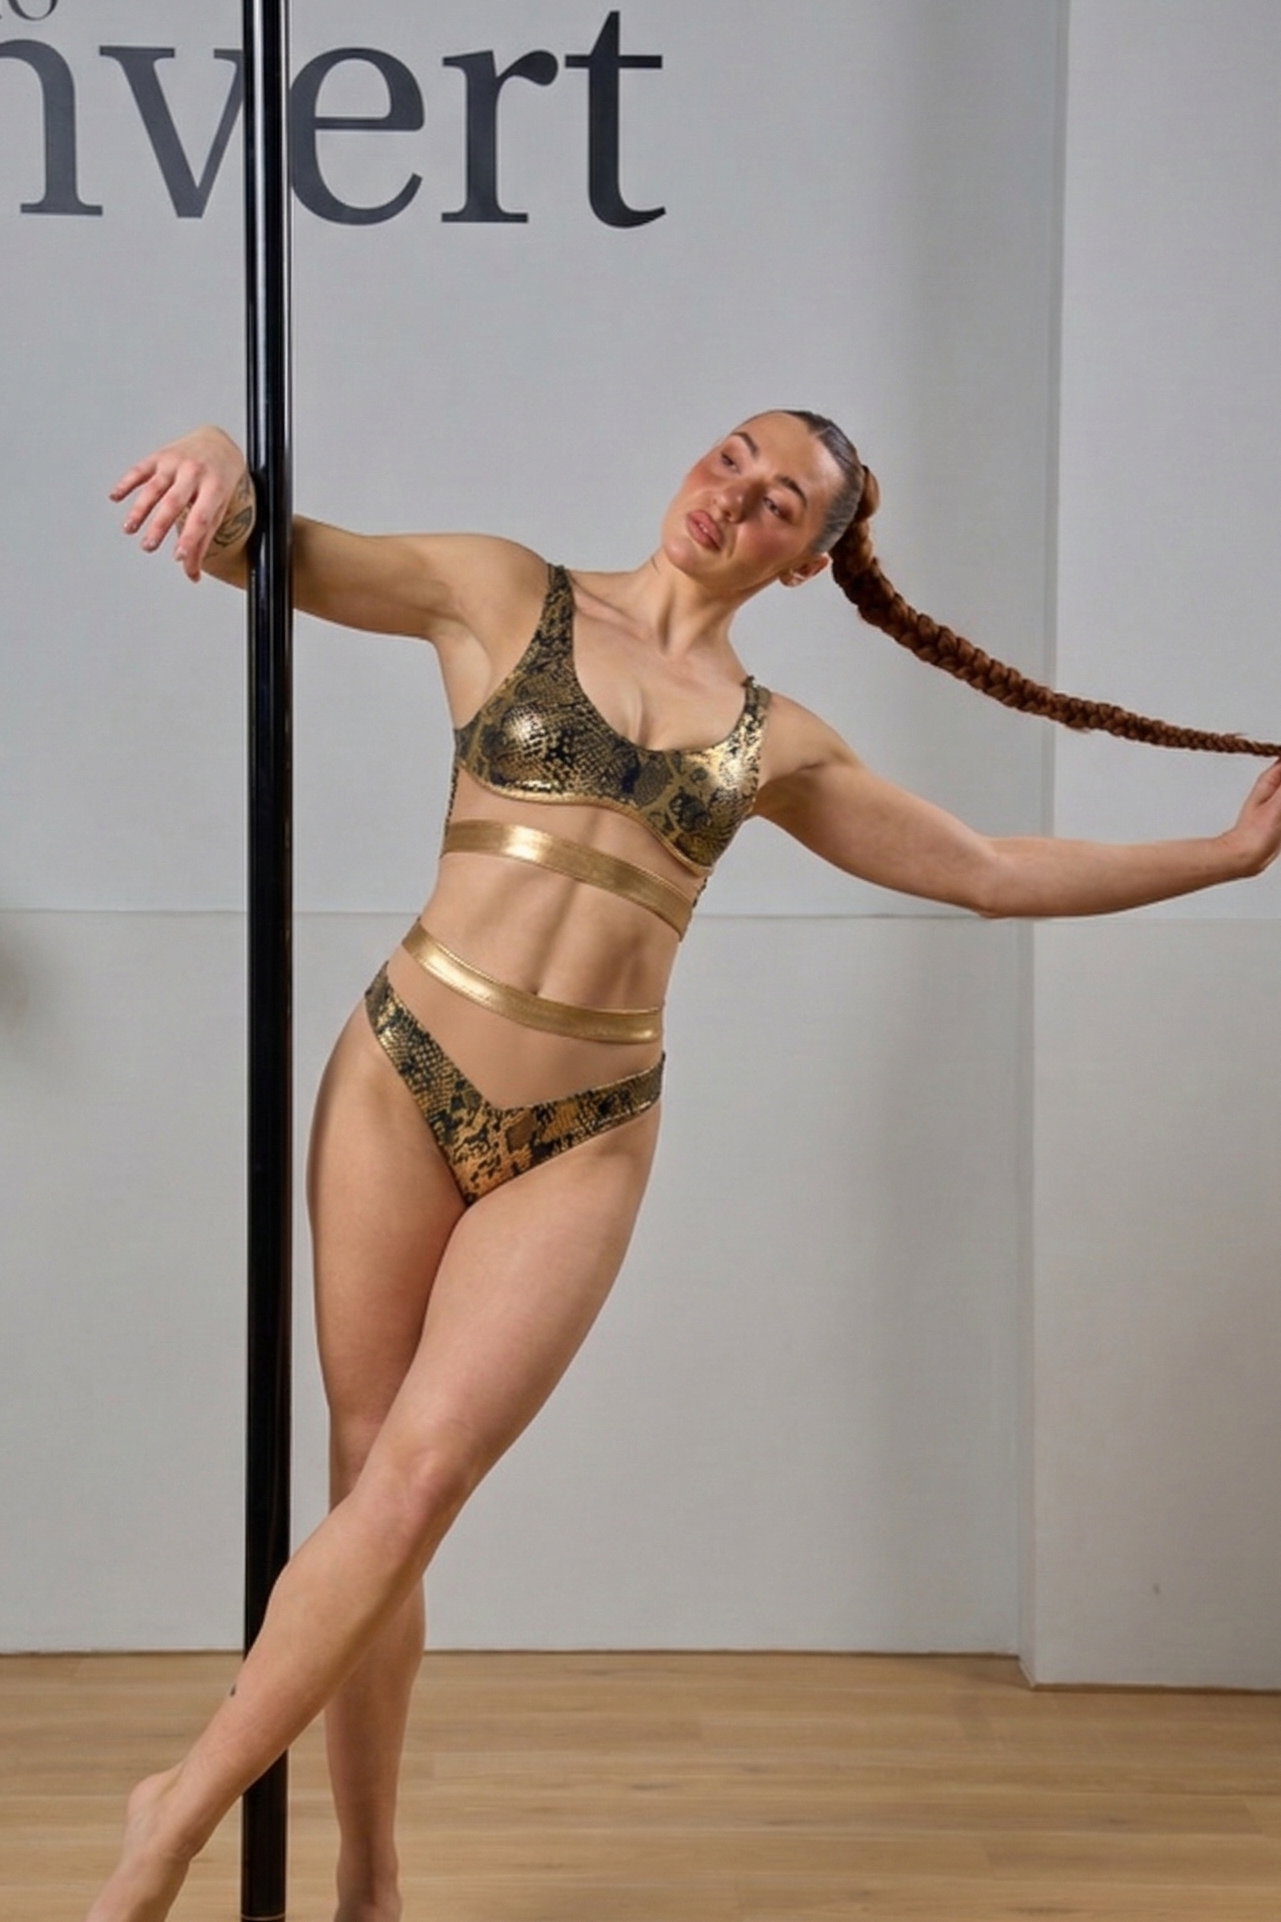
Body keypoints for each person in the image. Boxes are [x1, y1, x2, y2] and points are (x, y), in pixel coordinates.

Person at [92, 409, 1281, 1922]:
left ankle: (171, 1821)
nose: (736, 497)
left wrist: (1225, 857)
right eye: (734, 458)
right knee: (366, 1483)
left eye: (780, 502)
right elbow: (263, 552)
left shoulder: (775, 740)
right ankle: (370, 1875)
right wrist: (219, 453)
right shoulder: (502, 591)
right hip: (406, 1070)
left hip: (582, 1132)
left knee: (417, 1485)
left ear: (805, 559)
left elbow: (988, 872)